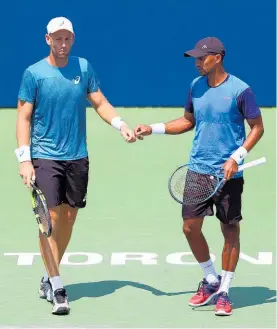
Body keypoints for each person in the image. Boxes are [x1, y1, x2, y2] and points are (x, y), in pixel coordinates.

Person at [134, 37, 264, 316]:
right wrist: (153, 128)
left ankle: (225, 290)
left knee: (230, 230)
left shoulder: (241, 90)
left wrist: (236, 157)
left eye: (201, 58)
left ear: (217, 57)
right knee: (189, 228)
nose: (197, 63)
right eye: (195, 59)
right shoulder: (195, 87)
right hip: (198, 170)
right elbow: (188, 121)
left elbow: (257, 127)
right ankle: (211, 279)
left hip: (228, 174)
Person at [15, 16, 136, 315]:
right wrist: (25, 160)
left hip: (77, 155)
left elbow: (99, 102)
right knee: (50, 218)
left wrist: (120, 124)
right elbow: (23, 117)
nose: (63, 43)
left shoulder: (83, 67)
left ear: (73, 39)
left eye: (67, 38)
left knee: (69, 217)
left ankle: (47, 274)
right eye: (57, 38)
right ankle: (57, 286)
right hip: (45, 155)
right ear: (48, 40)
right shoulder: (34, 73)